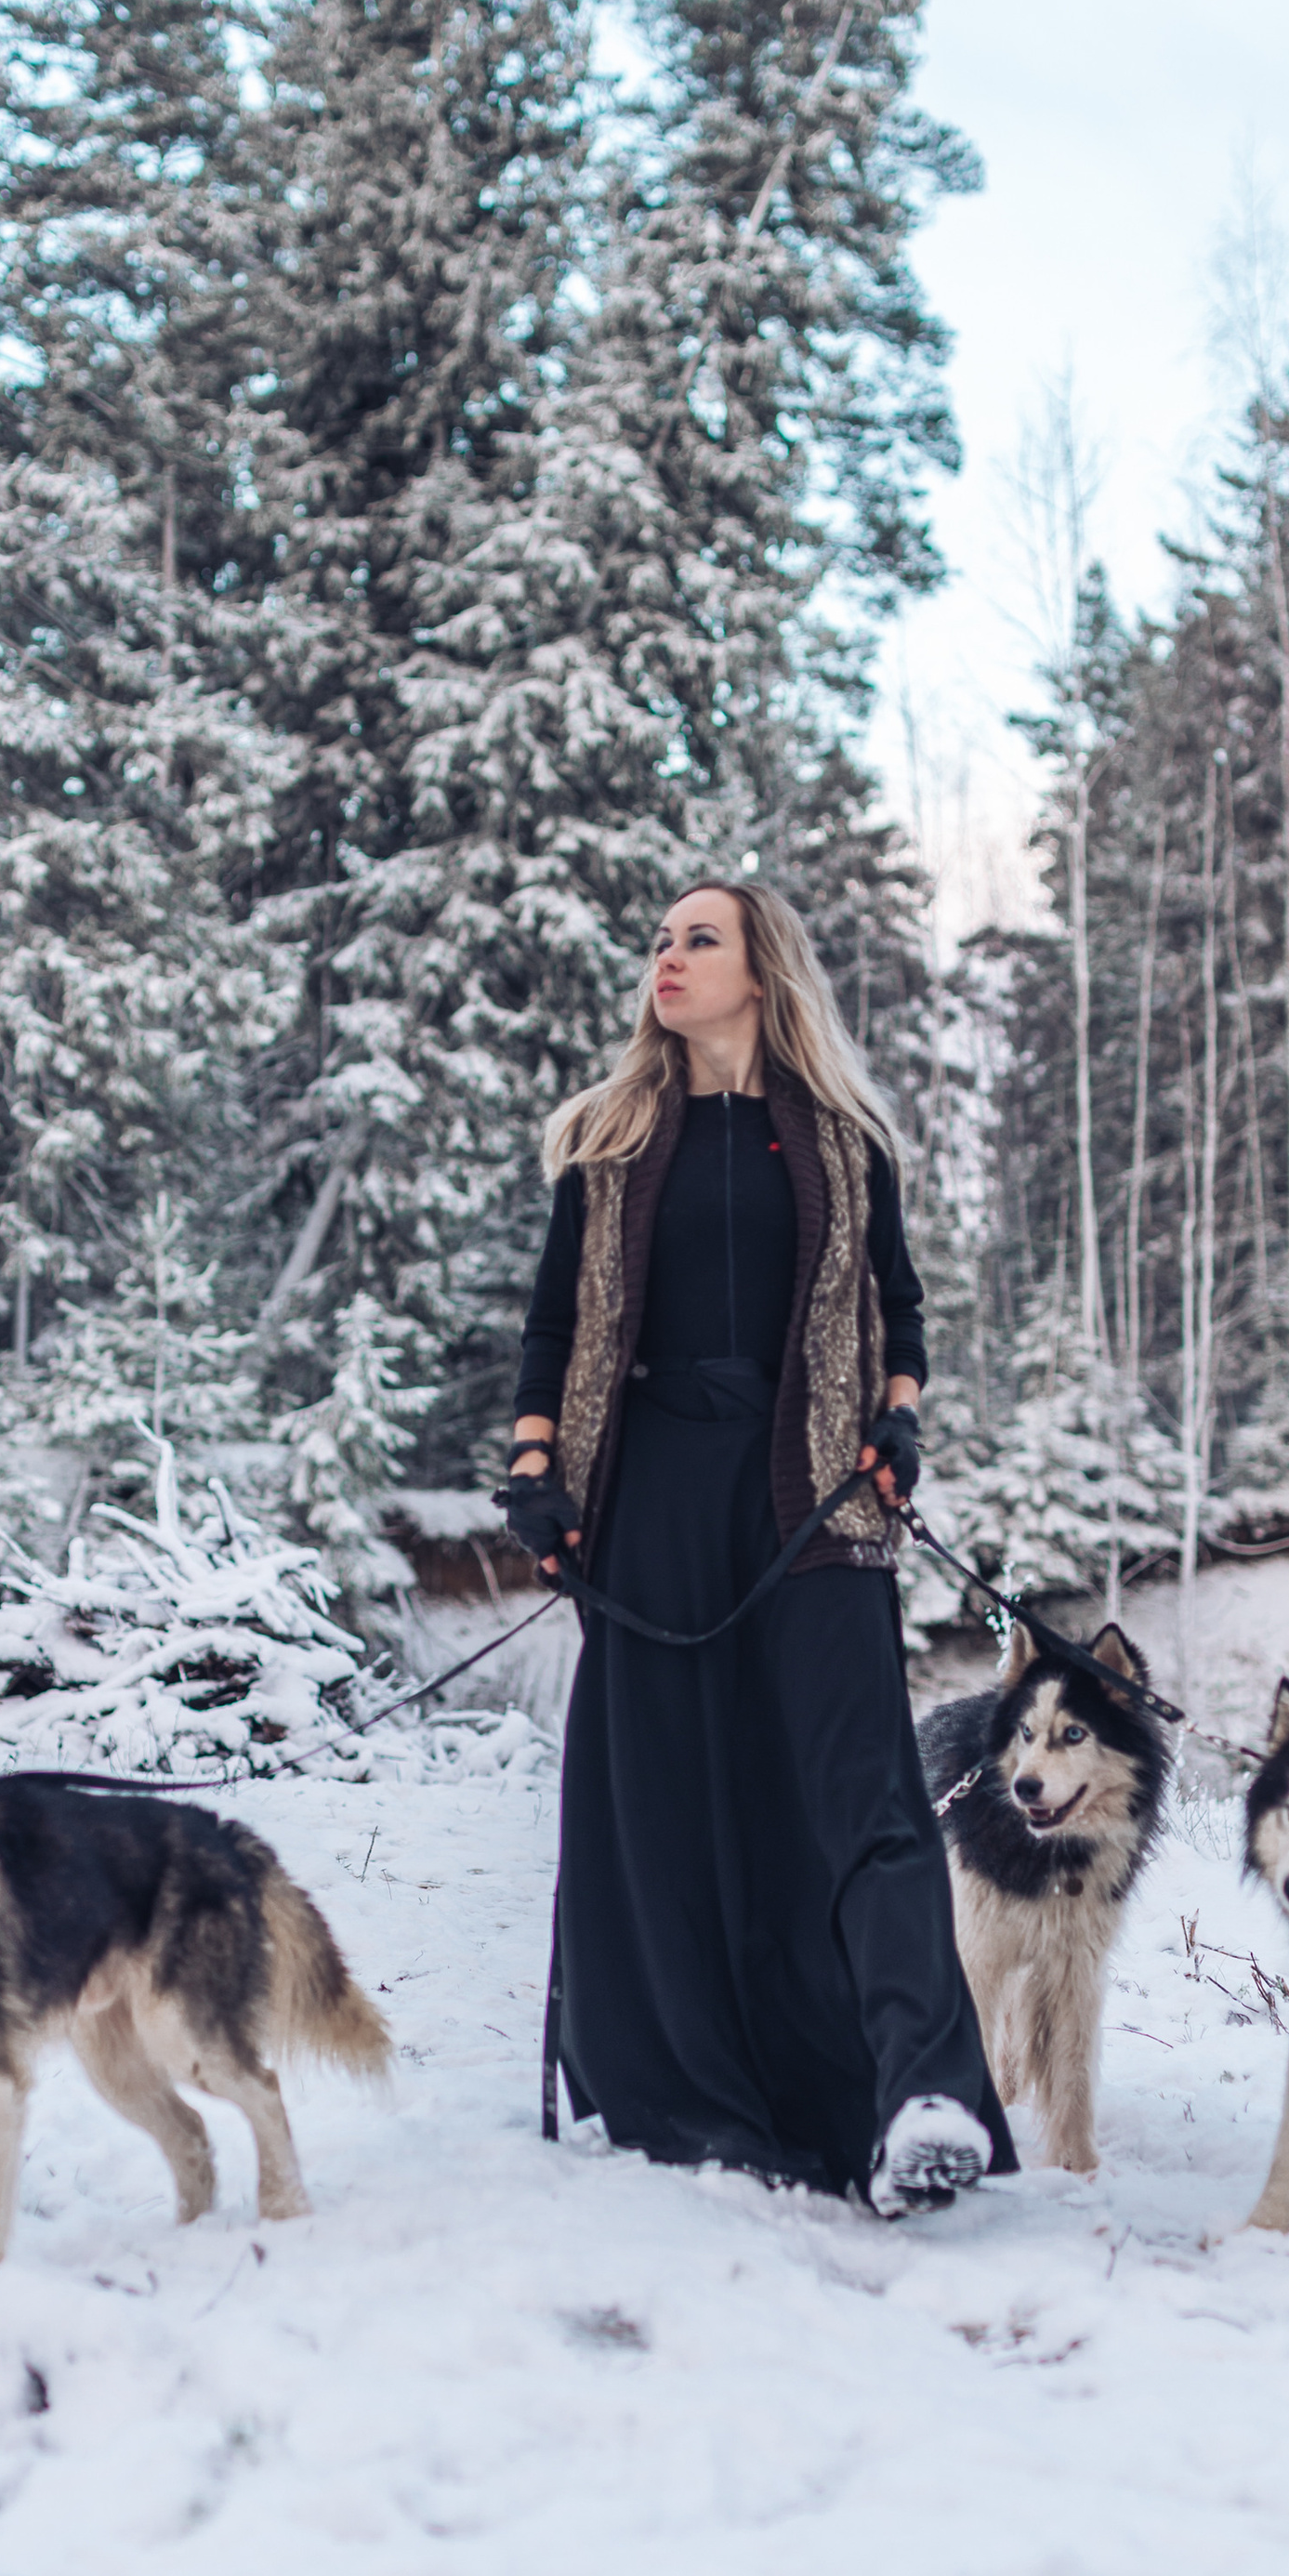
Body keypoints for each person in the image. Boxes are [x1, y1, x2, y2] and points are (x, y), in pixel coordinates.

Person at [505, 879, 1015, 2214]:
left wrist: (898, 1433)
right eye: (659, 939)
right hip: (654, 1492)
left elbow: (900, 1321)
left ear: (762, 967)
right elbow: (553, 1330)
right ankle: (693, 2086)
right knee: (671, 1796)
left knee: (864, 1791)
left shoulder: (847, 1141)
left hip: (812, 1494)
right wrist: (536, 1476)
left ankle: (917, 2091)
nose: (667, 958)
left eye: (697, 939)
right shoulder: (610, 1140)